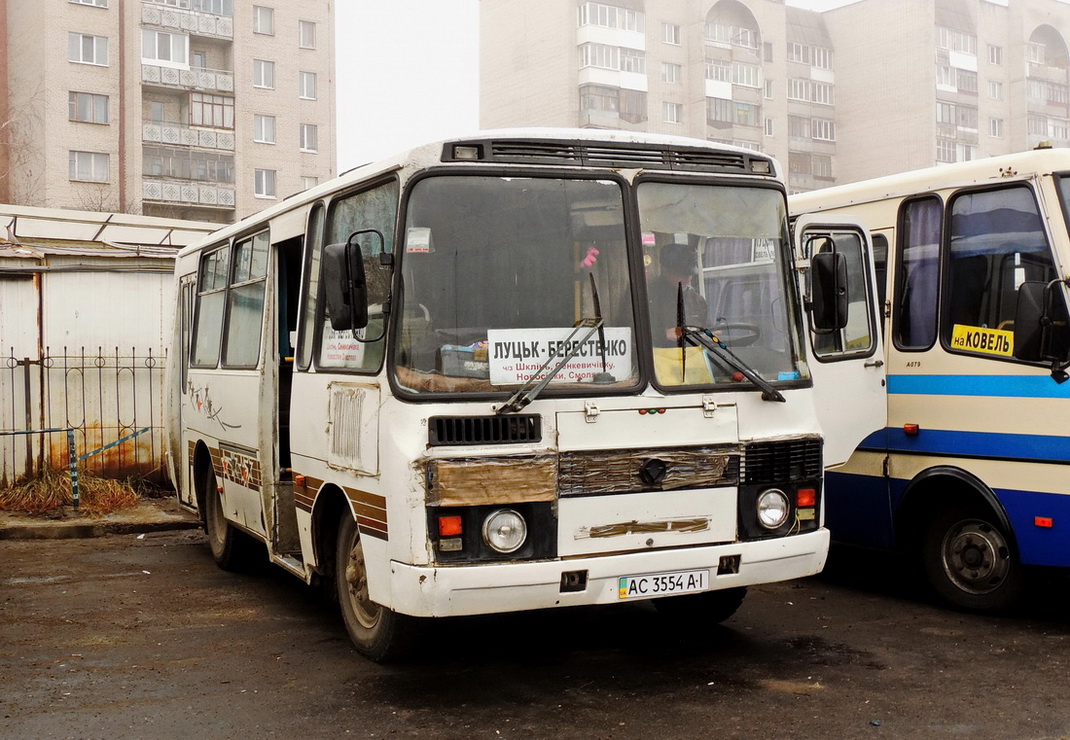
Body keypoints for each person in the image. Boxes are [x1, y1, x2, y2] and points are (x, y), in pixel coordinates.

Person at [648, 242, 708, 347]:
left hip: (694, 359)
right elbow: (633, 332)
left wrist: (711, 335)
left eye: (690, 274)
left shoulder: (697, 301)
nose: (688, 279)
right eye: (682, 274)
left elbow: (707, 328)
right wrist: (664, 334)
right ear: (665, 270)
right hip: (660, 359)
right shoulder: (646, 297)